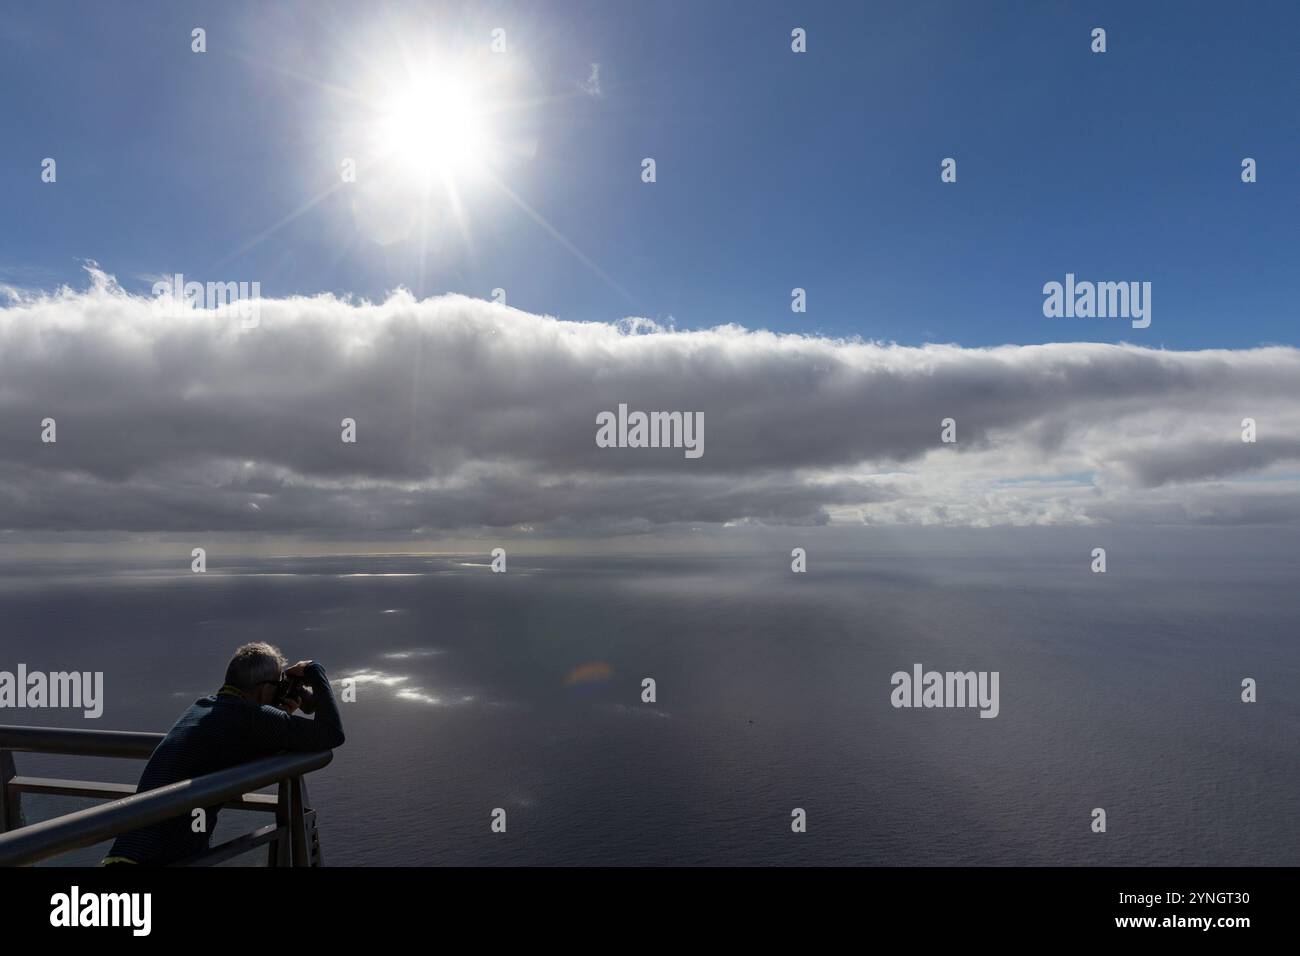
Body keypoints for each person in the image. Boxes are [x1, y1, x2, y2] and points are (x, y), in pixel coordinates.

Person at [101, 642, 345, 865]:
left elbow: (237, 741)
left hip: (123, 856)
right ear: (262, 690)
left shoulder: (202, 707)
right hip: (161, 861)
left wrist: (280, 713)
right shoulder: (251, 718)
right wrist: (315, 670)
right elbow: (332, 733)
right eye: (278, 685)